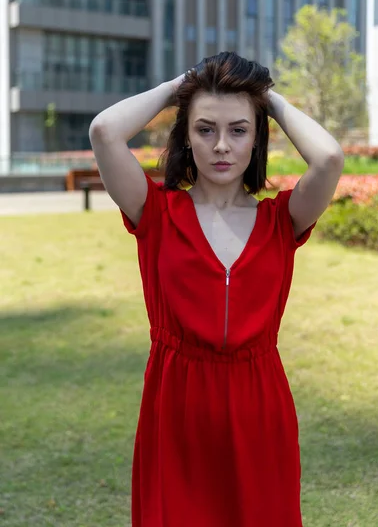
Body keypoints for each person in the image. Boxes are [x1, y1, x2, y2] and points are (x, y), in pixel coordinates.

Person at [89, 51, 344, 527]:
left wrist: (267, 98)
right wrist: (181, 87)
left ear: (257, 137)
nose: (221, 145)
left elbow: (329, 157)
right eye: (205, 129)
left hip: (259, 407)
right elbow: (105, 131)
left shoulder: (281, 220)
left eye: (238, 130)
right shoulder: (156, 212)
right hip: (176, 406)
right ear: (186, 135)